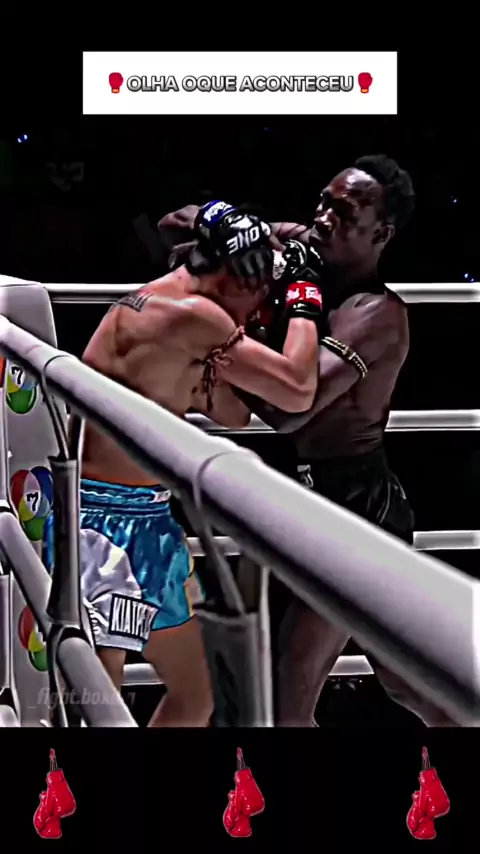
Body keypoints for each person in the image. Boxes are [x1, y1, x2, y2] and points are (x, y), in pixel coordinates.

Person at [159, 156, 455, 727]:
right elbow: (173, 226)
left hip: (359, 512)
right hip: (306, 498)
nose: (323, 218)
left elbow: (290, 410)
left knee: (287, 692)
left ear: (380, 234)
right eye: (323, 202)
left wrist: (235, 333)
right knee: (401, 682)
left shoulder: (376, 314)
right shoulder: (301, 246)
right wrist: (229, 224)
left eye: (343, 213)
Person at [78, 200, 324, 727]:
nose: (261, 305)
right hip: (102, 524)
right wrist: (304, 298)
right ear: (237, 278)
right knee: (98, 709)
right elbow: (298, 389)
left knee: (199, 693)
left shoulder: (163, 297)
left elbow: (231, 413)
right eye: (261, 291)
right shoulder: (194, 315)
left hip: (146, 515)